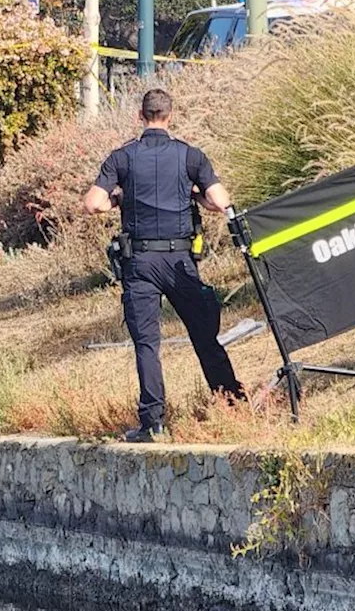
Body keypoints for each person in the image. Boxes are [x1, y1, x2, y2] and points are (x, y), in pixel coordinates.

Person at [83, 89, 243, 443]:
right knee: (204, 336)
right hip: (180, 261)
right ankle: (233, 405)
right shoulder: (190, 156)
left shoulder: (122, 157)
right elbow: (221, 201)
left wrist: (119, 198)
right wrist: (194, 196)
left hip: (140, 262)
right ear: (170, 116)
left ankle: (153, 423)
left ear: (141, 116)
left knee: (147, 344)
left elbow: (93, 204)